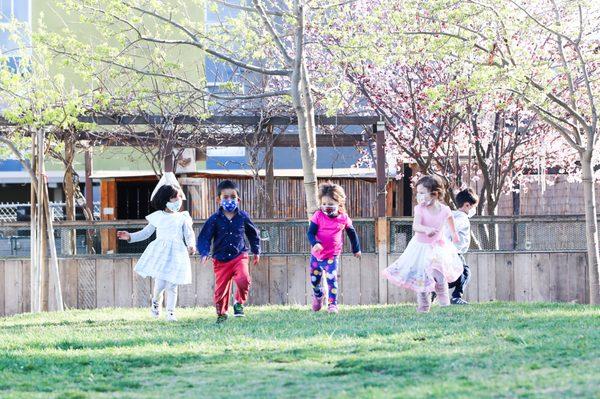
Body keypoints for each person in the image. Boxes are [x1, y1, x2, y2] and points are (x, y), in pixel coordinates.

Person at [117, 173, 195, 322]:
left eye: (179, 197)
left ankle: (171, 312)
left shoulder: (182, 217)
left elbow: (189, 234)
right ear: (166, 200)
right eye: (174, 197)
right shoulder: (158, 216)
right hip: (161, 253)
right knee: (160, 285)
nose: (178, 200)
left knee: (173, 284)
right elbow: (146, 233)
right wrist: (130, 236)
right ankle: (155, 303)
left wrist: (191, 245)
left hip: (177, 252)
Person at [382, 175, 463, 313]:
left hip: (438, 247)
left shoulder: (444, 210)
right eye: (417, 193)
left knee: (440, 277)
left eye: (422, 193)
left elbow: (450, 219)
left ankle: (445, 306)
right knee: (422, 279)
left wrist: (454, 233)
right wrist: (426, 229)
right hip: (421, 248)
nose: (418, 196)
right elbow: (416, 226)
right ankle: (424, 308)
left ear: (434, 194)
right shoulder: (420, 209)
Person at [196, 180, 260, 323]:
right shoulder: (214, 219)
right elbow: (204, 237)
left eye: (233, 197)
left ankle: (238, 303)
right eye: (225, 197)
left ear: (238, 199)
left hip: (240, 256)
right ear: (218, 200)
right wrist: (204, 252)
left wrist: (256, 251)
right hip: (220, 260)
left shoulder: (243, 216)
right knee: (221, 291)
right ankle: (222, 314)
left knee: (244, 279)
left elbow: (253, 233)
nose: (229, 200)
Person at [307, 182, 361, 314]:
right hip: (317, 255)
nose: (326, 207)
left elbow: (352, 233)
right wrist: (315, 243)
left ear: (339, 203)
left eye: (330, 204)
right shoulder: (318, 215)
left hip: (332, 256)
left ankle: (332, 305)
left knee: (332, 279)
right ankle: (318, 295)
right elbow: (310, 232)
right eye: (324, 204)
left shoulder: (343, 218)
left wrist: (356, 249)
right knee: (315, 281)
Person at [437, 188, 479, 305]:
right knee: (465, 273)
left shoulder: (453, 215)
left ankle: (436, 289)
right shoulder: (463, 218)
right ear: (467, 205)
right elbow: (452, 229)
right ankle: (456, 296)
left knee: (454, 275)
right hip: (455, 252)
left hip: (448, 251)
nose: (474, 210)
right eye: (473, 207)